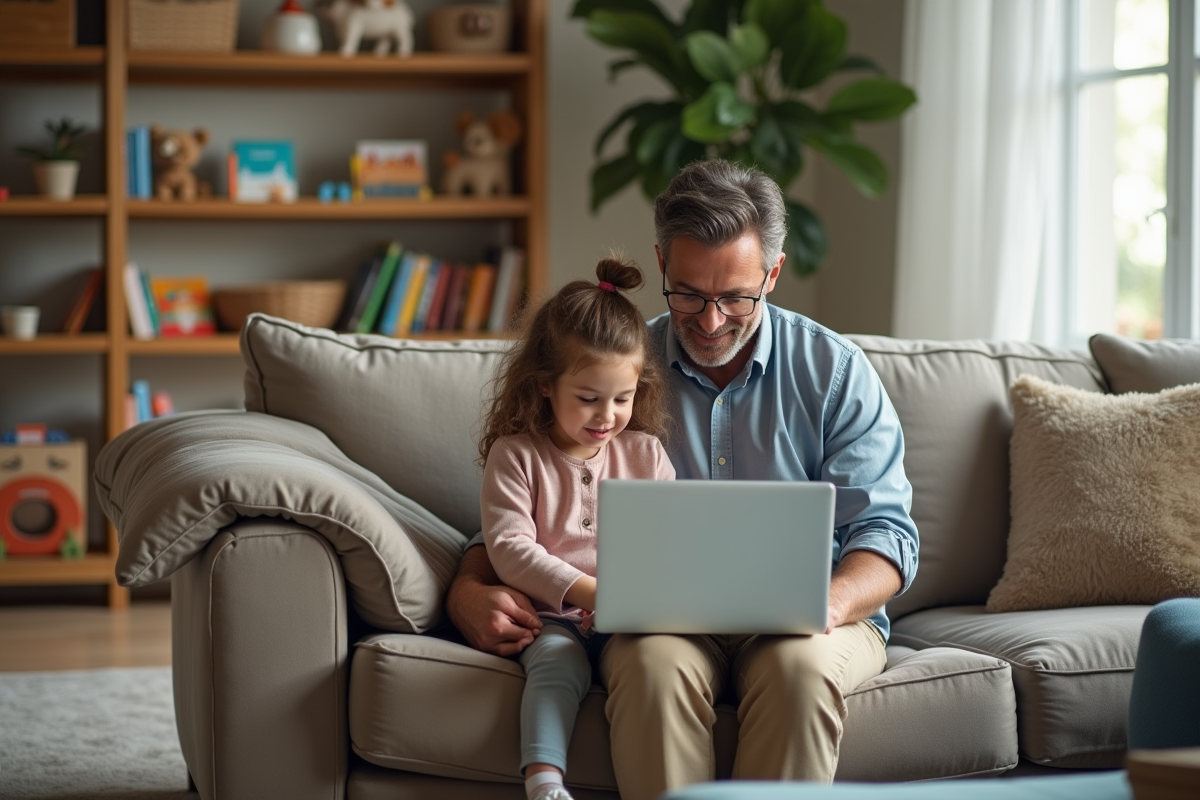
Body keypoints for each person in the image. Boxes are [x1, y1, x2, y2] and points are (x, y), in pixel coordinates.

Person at [448, 160, 919, 800]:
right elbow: (538, 515)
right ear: (662, 264)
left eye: (737, 297)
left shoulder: (835, 372)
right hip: (667, 624)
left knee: (800, 675)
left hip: (812, 621)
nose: (711, 321)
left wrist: (825, 606)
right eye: (689, 294)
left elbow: (887, 535)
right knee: (651, 667)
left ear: (773, 274)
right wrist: (467, 591)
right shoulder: (617, 374)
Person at [477, 256, 676, 800]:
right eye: (588, 399)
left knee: (658, 666)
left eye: (622, 399)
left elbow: (668, 542)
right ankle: (544, 782)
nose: (607, 416)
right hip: (552, 618)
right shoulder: (516, 456)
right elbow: (509, 548)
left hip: (630, 620)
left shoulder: (645, 454)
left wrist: (631, 603)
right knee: (556, 667)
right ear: (546, 385)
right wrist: (592, 593)